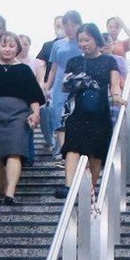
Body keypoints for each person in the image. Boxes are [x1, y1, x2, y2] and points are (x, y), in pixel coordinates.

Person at [56, 23, 125, 209]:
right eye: (80, 41)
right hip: (77, 110)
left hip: (99, 112)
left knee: (95, 155)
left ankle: (91, 189)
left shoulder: (109, 61)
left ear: (96, 40)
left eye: (87, 40)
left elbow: (114, 84)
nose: (83, 44)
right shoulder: (74, 61)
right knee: (72, 147)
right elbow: (65, 85)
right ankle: (69, 186)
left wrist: (117, 97)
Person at [0, 31, 44, 204]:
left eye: (12, 46)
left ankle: (10, 193)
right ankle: (4, 192)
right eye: (3, 45)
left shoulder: (24, 70)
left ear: (18, 48)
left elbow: (34, 96)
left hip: (19, 115)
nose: (7, 49)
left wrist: (35, 113)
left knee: (15, 152)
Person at [40, 10, 83, 158]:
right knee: (59, 117)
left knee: (77, 115)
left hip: (78, 83)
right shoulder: (57, 44)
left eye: (73, 25)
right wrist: (47, 86)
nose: (69, 28)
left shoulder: (84, 43)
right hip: (60, 85)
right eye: (66, 25)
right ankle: (64, 152)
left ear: (79, 25)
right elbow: (53, 68)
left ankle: (76, 150)